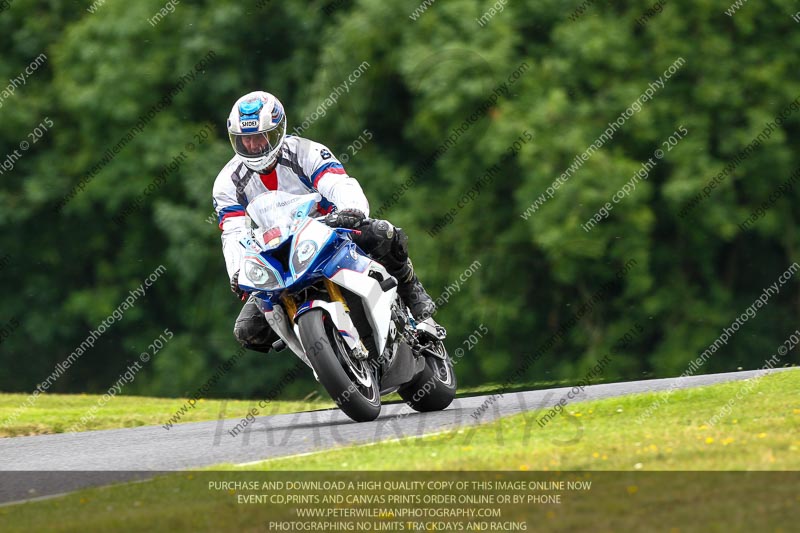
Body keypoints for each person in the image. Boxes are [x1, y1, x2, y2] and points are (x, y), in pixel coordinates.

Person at [212, 91, 442, 353]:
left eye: (259, 137)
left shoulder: (306, 152)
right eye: (245, 140)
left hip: (331, 230)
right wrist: (237, 271)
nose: (252, 146)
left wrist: (351, 209)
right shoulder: (227, 182)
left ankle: (414, 296)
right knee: (248, 331)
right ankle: (320, 345)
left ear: (277, 132)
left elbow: (339, 183)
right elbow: (233, 231)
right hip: (278, 255)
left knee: (383, 233)